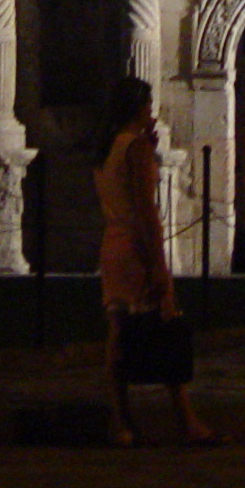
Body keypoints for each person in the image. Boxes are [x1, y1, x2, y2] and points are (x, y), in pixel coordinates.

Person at [95, 76, 215, 446]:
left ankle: (122, 424)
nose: (152, 112)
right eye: (148, 106)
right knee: (166, 326)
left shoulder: (108, 148)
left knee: (118, 335)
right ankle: (186, 420)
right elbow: (146, 210)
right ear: (139, 108)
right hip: (135, 246)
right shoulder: (136, 149)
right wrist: (159, 267)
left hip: (112, 244)